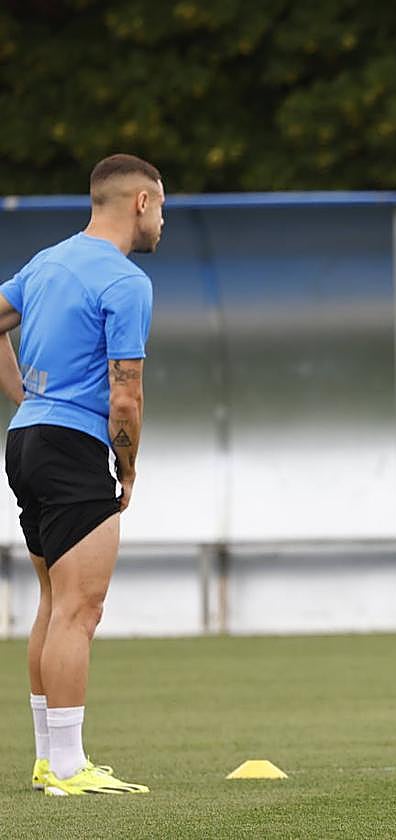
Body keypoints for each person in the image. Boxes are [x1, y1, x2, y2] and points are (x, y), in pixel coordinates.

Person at [4, 153, 161, 796]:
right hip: (73, 447)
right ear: (142, 204)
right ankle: (68, 766)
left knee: (52, 602)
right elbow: (126, 396)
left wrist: (24, 397)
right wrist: (126, 467)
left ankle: (49, 760)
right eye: (163, 209)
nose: (163, 223)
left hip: (25, 439)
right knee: (80, 609)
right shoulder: (125, 283)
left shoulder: (46, 262)